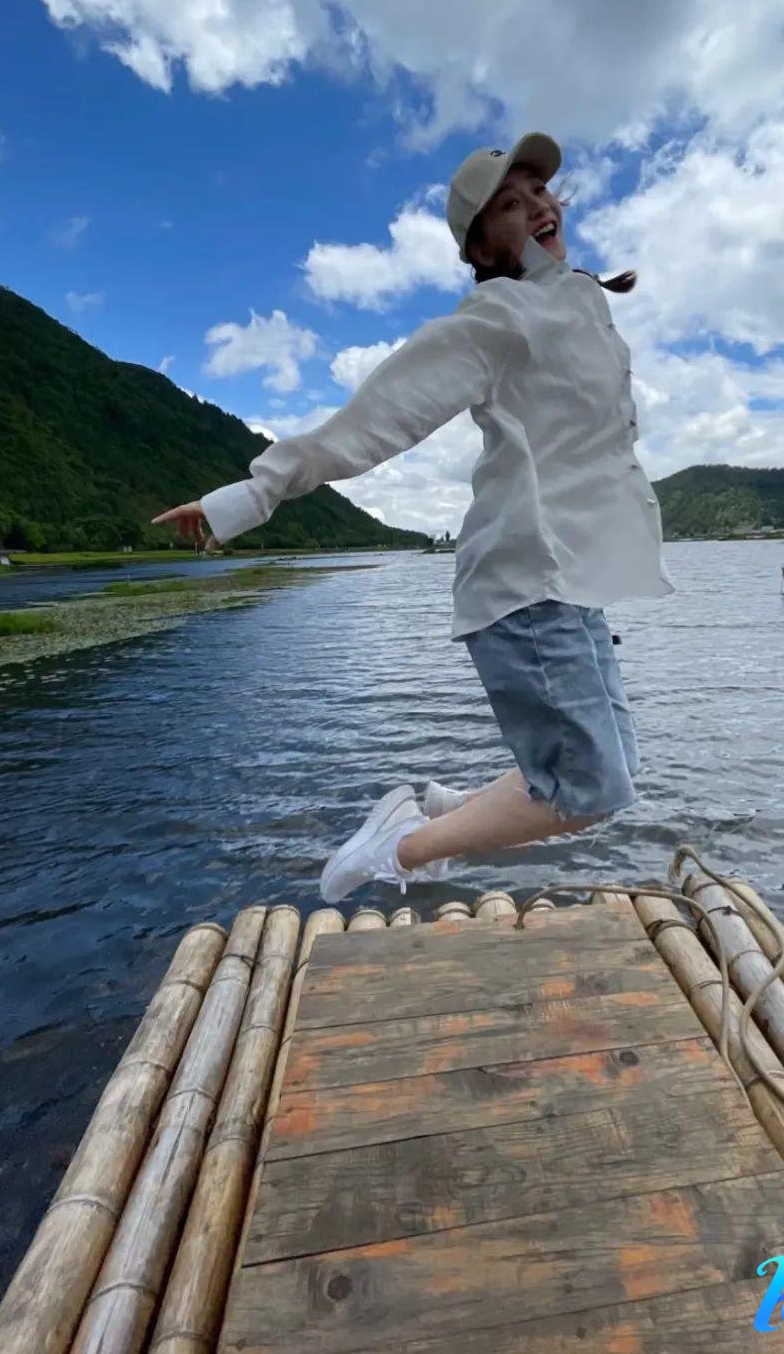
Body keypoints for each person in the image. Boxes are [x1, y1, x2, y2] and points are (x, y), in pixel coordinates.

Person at [153, 132, 674, 904]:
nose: (537, 206)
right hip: (526, 584)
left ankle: (436, 811)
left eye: (538, 191)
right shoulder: (496, 318)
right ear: (482, 246)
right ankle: (400, 849)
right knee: (588, 787)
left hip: (572, 580)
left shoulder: (576, 300)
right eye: (510, 203)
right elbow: (377, 417)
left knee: (612, 769)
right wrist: (249, 496)